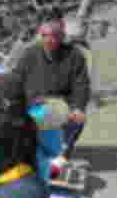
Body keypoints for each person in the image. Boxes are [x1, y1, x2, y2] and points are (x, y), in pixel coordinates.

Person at [10, 17, 91, 159]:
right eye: (44, 35)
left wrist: (78, 107)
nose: (49, 39)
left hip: (62, 105)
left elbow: (81, 85)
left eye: (54, 36)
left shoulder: (75, 56)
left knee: (77, 119)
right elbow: (16, 78)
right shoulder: (29, 54)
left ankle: (63, 152)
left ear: (62, 37)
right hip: (34, 106)